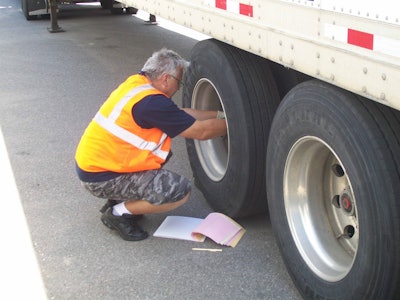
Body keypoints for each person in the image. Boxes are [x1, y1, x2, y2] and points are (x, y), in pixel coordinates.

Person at [75, 48, 227, 241]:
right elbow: (202, 131)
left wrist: (220, 116)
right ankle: (117, 214)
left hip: (96, 166)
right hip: (100, 177)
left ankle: (118, 198)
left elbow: (181, 114)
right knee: (179, 192)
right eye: (178, 82)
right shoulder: (152, 104)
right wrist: (237, 125)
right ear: (165, 78)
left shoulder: (138, 85)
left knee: (163, 153)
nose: (178, 88)